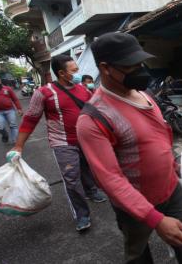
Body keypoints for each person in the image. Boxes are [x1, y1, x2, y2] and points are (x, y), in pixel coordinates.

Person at [77, 32, 182, 263]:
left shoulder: (146, 95)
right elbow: (111, 179)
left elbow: (160, 134)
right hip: (133, 203)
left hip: (170, 189)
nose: (141, 70)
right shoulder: (93, 119)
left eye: (141, 63)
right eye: (131, 66)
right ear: (105, 68)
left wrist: (172, 162)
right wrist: (155, 220)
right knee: (138, 253)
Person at [7, 54, 107, 232]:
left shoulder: (84, 89)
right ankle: (81, 214)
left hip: (86, 139)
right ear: (61, 73)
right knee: (71, 178)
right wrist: (19, 145)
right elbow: (30, 119)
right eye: (74, 70)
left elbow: (95, 111)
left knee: (88, 168)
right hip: (62, 142)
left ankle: (91, 190)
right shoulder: (44, 93)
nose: (78, 73)